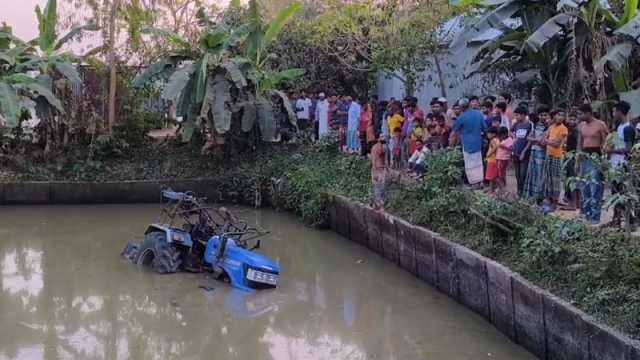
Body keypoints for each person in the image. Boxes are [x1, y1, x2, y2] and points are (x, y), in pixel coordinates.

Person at [577, 103, 609, 224]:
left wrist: (604, 160)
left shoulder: (600, 124)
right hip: (584, 156)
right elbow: (580, 143)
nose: (579, 116)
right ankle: (588, 214)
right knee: (585, 186)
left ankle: (595, 216)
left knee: (596, 186)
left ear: (588, 113)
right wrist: (577, 160)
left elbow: (606, 142)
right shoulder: (581, 125)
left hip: (596, 156)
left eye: (581, 114)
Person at [609, 101, 635, 225]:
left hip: (622, 165)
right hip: (615, 164)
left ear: (619, 111)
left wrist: (612, 150)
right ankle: (617, 219)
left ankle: (630, 220)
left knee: (622, 192)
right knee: (615, 192)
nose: (613, 114)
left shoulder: (628, 128)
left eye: (614, 111)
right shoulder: (619, 127)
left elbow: (628, 149)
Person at [453, 98, 487, 186]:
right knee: (479, 163)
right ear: (469, 105)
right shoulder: (479, 114)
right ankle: (480, 182)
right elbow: (485, 128)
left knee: (469, 165)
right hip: (478, 142)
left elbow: (455, 131)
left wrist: (456, 141)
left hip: (467, 144)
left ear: (461, 107)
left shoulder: (461, 118)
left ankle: (474, 183)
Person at [542, 110, 569, 212]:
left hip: (557, 157)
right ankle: (548, 199)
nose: (560, 117)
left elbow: (557, 144)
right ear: (554, 116)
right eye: (559, 115)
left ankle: (555, 201)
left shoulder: (564, 129)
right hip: (549, 155)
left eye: (562, 115)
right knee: (548, 178)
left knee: (556, 179)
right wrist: (550, 141)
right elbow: (543, 139)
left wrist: (549, 141)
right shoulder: (551, 127)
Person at [523, 108, 550, 202]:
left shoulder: (548, 127)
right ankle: (530, 195)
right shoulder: (535, 125)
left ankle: (538, 197)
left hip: (542, 153)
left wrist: (535, 140)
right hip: (533, 152)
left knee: (540, 174)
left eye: (545, 115)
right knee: (532, 173)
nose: (543, 117)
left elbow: (543, 142)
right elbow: (528, 138)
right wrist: (536, 140)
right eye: (541, 115)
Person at [512, 106, 532, 197]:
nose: (516, 117)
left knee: (523, 173)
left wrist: (524, 152)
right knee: (517, 173)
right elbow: (510, 131)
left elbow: (529, 141)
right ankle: (519, 191)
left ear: (523, 115)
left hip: (524, 152)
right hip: (515, 151)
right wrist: (513, 137)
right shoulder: (516, 124)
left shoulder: (529, 125)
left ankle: (523, 192)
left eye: (517, 115)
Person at [563, 112, 580, 209]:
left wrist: (576, 158)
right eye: (570, 119)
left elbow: (578, 146)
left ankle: (573, 203)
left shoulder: (576, 132)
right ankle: (575, 203)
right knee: (569, 179)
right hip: (568, 156)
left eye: (574, 119)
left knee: (572, 180)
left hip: (573, 157)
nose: (572, 121)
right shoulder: (569, 130)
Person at [371, 133, 388, 210]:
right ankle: (378, 204)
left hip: (382, 169)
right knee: (377, 187)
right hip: (377, 170)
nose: (383, 138)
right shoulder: (375, 148)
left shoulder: (384, 147)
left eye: (383, 136)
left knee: (382, 187)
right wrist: (375, 173)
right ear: (378, 139)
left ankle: (380, 204)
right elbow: (373, 161)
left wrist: (387, 168)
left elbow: (385, 159)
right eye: (381, 136)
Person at [496, 126, 513, 193]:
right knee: (501, 174)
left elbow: (511, 149)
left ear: (505, 134)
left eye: (501, 135)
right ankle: (502, 188)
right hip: (499, 158)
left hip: (503, 159)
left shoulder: (509, 139)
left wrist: (503, 146)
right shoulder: (502, 140)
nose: (500, 137)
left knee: (500, 174)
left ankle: (503, 189)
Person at [485, 127, 500, 193]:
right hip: (495, 160)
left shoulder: (493, 140)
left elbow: (495, 147)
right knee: (493, 177)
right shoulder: (497, 139)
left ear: (493, 134)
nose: (487, 135)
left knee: (491, 177)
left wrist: (488, 154)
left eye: (489, 133)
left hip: (492, 160)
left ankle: (491, 190)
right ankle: (492, 189)